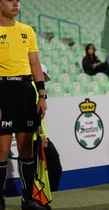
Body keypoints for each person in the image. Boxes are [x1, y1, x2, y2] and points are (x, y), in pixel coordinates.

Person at [0, 0, 49, 209]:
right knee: (1, 150)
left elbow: (35, 63)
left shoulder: (27, 30)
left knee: (26, 148)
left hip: (25, 91)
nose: (16, 4)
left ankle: (27, 199)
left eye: (18, 0)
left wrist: (41, 94)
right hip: (2, 91)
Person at [38, 64, 62, 192]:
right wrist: (41, 135)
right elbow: (34, 115)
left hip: (39, 135)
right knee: (54, 167)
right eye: (44, 77)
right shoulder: (35, 92)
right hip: (38, 137)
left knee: (47, 168)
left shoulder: (36, 92)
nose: (45, 81)